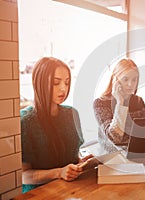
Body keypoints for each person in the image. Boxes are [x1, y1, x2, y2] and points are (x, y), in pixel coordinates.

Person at [21, 57, 92, 193]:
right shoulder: (25, 121)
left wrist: (83, 163)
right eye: (55, 82)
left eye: (67, 83)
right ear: (39, 83)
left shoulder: (71, 113)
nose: (63, 89)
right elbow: (24, 176)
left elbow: (73, 157)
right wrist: (59, 173)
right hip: (39, 193)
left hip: (71, 189)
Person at [93, 58, 145, 151]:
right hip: (112, 155)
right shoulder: (100, 103)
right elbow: (115, 137)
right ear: (115, 80)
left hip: (135, 152)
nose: (130, 84)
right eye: (125, 79)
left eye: (134, 79)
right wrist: (120, 103)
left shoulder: (139, 101)